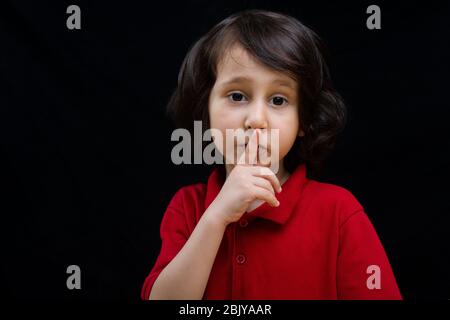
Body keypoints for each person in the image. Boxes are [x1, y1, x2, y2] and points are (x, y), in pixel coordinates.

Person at [141, 9, 402, 300]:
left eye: (278, 100)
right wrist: (215, 218)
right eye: (237, 96)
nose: (256, 119)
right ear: (206, 109)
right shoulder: (188, 208)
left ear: (303, 120)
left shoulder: (339, 212)